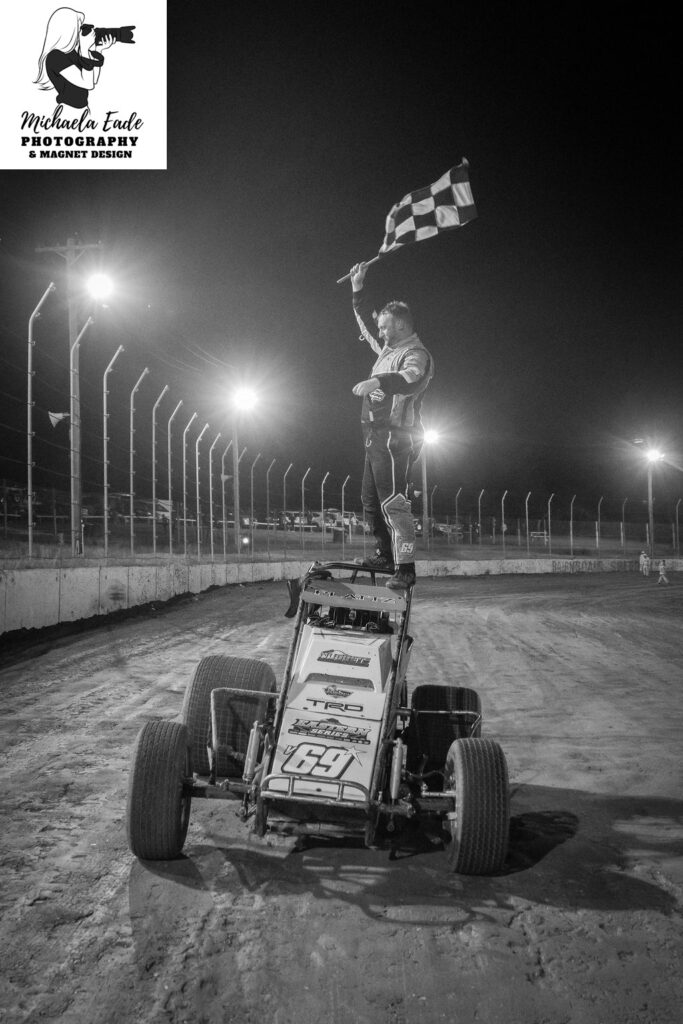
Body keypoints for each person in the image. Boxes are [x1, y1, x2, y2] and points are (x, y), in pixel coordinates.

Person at [348, 261, 434, 589]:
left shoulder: (417, 354)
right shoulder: (388, 347)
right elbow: (367, 326)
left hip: (396, 438)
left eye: (385, 328)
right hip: (373, 437)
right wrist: (358, 290)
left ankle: (406, 568)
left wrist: (378, 382)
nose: (380, 333)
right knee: (370, 501)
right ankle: (385, 554)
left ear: (398, 325)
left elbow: (410, 380)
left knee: (394, 503)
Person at [34, 8, 116, 112]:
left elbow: (93, 80)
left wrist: (97, 50)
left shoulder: (73, 53)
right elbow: (88, 84)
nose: (81, 32)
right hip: (68, 110)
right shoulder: (55, 56)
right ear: (69, 29)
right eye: (79, 27)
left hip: (84, 109)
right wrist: (85, 50)